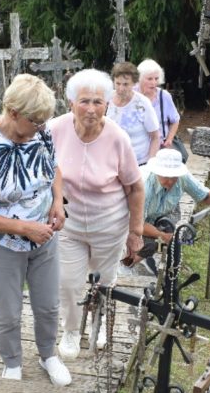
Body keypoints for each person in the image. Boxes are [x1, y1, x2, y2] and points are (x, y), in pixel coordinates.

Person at [0, 74, 72, 386]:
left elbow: (53, 168)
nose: (41, 126)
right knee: (9, 312)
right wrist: (24, 228)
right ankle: (11, 361)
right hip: (2, 244)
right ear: (13, 113)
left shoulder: (40, 132)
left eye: (44, 121)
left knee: (48, 305)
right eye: (36, 121)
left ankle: (48, 354)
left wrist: (57, 204)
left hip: (44, 238)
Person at [49, 69, 144, 359]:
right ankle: (71, 331)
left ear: (107, 105)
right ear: (71, 103)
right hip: (69, 221)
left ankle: (99, 324)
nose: (91, 109)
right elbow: (44, 171)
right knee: (68, 281)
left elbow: (136, 187)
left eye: (98, 102)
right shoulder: (53, 130)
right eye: (84, 101)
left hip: (109, 223)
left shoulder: (118, 137)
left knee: (104, 280)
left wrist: (135, 232)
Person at [131, 148, 210, 274]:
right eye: (166, 176)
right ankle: (134, 263)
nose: (170, 181)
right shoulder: (144, 185)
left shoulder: (182, 178)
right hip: (130, 220)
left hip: (162, 215)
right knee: (135, 249)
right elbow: (136, 224)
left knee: (167, 234)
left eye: (174, 176)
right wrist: (161, 236)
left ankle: (160, 261)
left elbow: (204, 195)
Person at [107, 62, 160, 165]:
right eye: (118, 83)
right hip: (111, 164)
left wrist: (150, 166)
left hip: (138, 164)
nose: (121, 88)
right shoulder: (106, 100)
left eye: (126, 84)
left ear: (134, 83)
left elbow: (155, 137)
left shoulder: (142, 104)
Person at [137, 58, 188, 162]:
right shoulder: (132, 95)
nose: (154, 82)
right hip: (137, 148)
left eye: (156, 78)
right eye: (149, 79)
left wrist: (169, 140)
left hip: (160, 148)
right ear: (140, 78)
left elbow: (175, 120)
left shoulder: (164, 96)